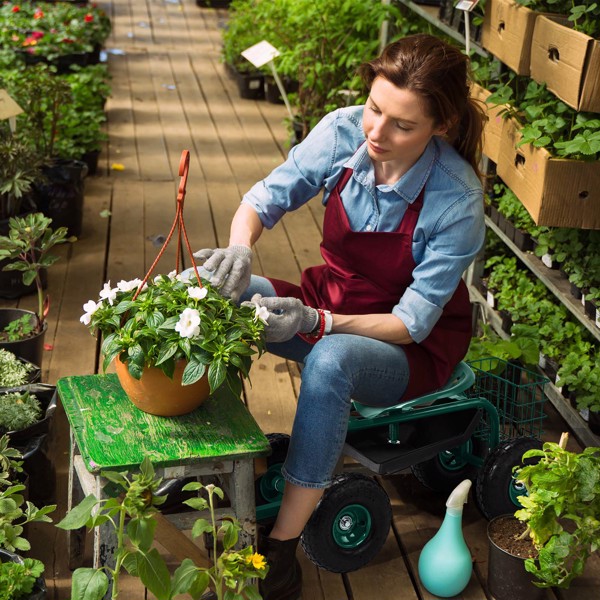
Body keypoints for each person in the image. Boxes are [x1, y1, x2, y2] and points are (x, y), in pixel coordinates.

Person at [195, 33, 486, 600]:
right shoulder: (344, 130)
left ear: (440, 126)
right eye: (376, 109)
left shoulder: (457, 199)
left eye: (402, 125)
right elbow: (264, 198)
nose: (377, 132)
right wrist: (238, 250)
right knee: (203, 290)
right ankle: (198, 461)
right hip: (327, 300)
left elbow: (412, 323)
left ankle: (276, 553)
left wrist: (315, 323)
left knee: (329, 360)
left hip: (405, 349)